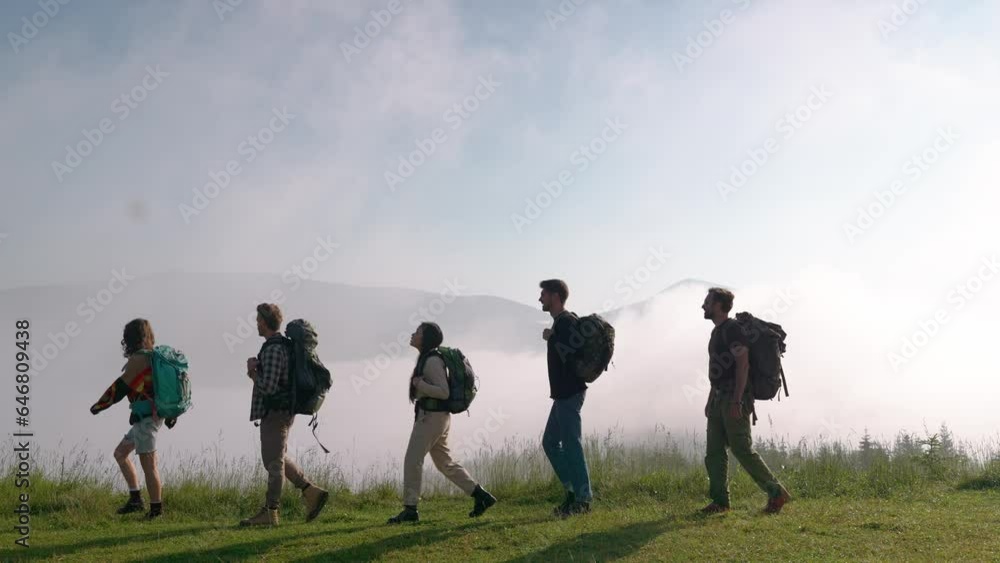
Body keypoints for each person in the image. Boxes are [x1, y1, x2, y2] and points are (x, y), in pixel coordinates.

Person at [387, 322, 497, 524]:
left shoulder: (431, 362)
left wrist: (420, 384)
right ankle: (481, 496)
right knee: (445, 463)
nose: (413, 334)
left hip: (431, 417)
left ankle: (410, 510)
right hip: (437, 418)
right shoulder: (429, 358)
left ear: (425, 338)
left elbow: (443, 392)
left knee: (412, 460)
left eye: (418, 332)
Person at [701, 287, 791, 514]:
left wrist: (737, 401)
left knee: (741, 449)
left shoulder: (732, 330)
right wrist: (711, 398)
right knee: (714, 452)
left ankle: (776, 492)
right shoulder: (717, 332)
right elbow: (719, 370)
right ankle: (720, 502)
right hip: (718, 399)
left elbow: (743, 365)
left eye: (708, 302)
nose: (704, 306)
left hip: (734, 399)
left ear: (719, 306)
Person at [240, 303, 329, 527]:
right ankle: (312, 493)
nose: (256, 323)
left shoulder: (272, 349)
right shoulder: (283, 347)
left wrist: (252, 372)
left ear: (265, 321)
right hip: (284, 411)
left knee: (273, 463)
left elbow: (268, 387)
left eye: (258, 319)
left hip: (276, 412)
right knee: (277, 458)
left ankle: (270, 513)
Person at [90, 318, 173, 520]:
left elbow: (119, 388)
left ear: (130, 338)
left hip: (147, 419)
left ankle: (156, 511)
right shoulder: (152, 357)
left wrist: (99, 406)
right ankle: (136, 500)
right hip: (143, 419)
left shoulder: (139, 359)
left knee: (149, 464)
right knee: (120, 453)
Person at [538, 279, 592, 517]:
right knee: (550, 443)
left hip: (570, 393)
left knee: (572, 444)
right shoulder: (560, 323)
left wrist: (552, 338)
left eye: (544, 294)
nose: (540, 299)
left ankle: (582, 499)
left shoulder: (566, 322)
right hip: (562, 395)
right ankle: (573, 493)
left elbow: (573, 352)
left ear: (556, 296)